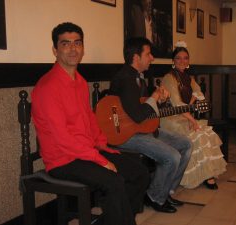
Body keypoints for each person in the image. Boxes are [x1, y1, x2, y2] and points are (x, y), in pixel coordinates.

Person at [31, 22, 149, 225]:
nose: (73, 48)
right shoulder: (48, 87)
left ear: (83, 48)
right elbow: (63, 139)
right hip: (63, 160)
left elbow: (89, 119)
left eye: (77, 43)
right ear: (55, 50)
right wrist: (100, 159)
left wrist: (102, 145)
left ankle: (111, 220)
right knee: (114, 181)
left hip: (85, 151)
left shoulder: (80, 81)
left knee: (139, 172)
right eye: (65, 44)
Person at [109, 37, 192, 213]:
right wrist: (154, 97)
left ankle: (165, 190)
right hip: (126, 135)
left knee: (186, 144)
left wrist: (159, 101)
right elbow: (138, 116)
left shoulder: (138, 77)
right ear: (136, 57)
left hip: (142, 129)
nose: (152, 58)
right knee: (172, 156)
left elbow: (144, 108)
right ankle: (155, 197)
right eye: (148, 54)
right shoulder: (125, 78)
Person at [160, 43, 227, 190]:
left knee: (205, 133)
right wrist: (191, 119)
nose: (182, 61)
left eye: (185, 58)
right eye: (178, 58)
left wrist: (190, 107)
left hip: (185, 115)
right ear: (173, 61)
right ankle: (204, 176)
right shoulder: (168, 78)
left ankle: (207, 174)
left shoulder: (188, 78)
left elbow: (197, 93)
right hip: (170, 119)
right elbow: (177, 103)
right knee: (198, 133)